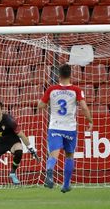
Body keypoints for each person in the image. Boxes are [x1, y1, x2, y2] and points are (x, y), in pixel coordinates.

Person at [38, 64, 93, 193]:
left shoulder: (52, 90)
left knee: (53, 154)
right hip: (70, 128)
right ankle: (66, 185)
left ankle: (50, 171)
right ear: (70, 75)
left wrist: (45, 104)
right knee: (69, 155)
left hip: (55, 126)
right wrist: (90, 121)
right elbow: (84, 107)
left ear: (59, 75)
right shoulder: (76, 90)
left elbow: (41, 106)